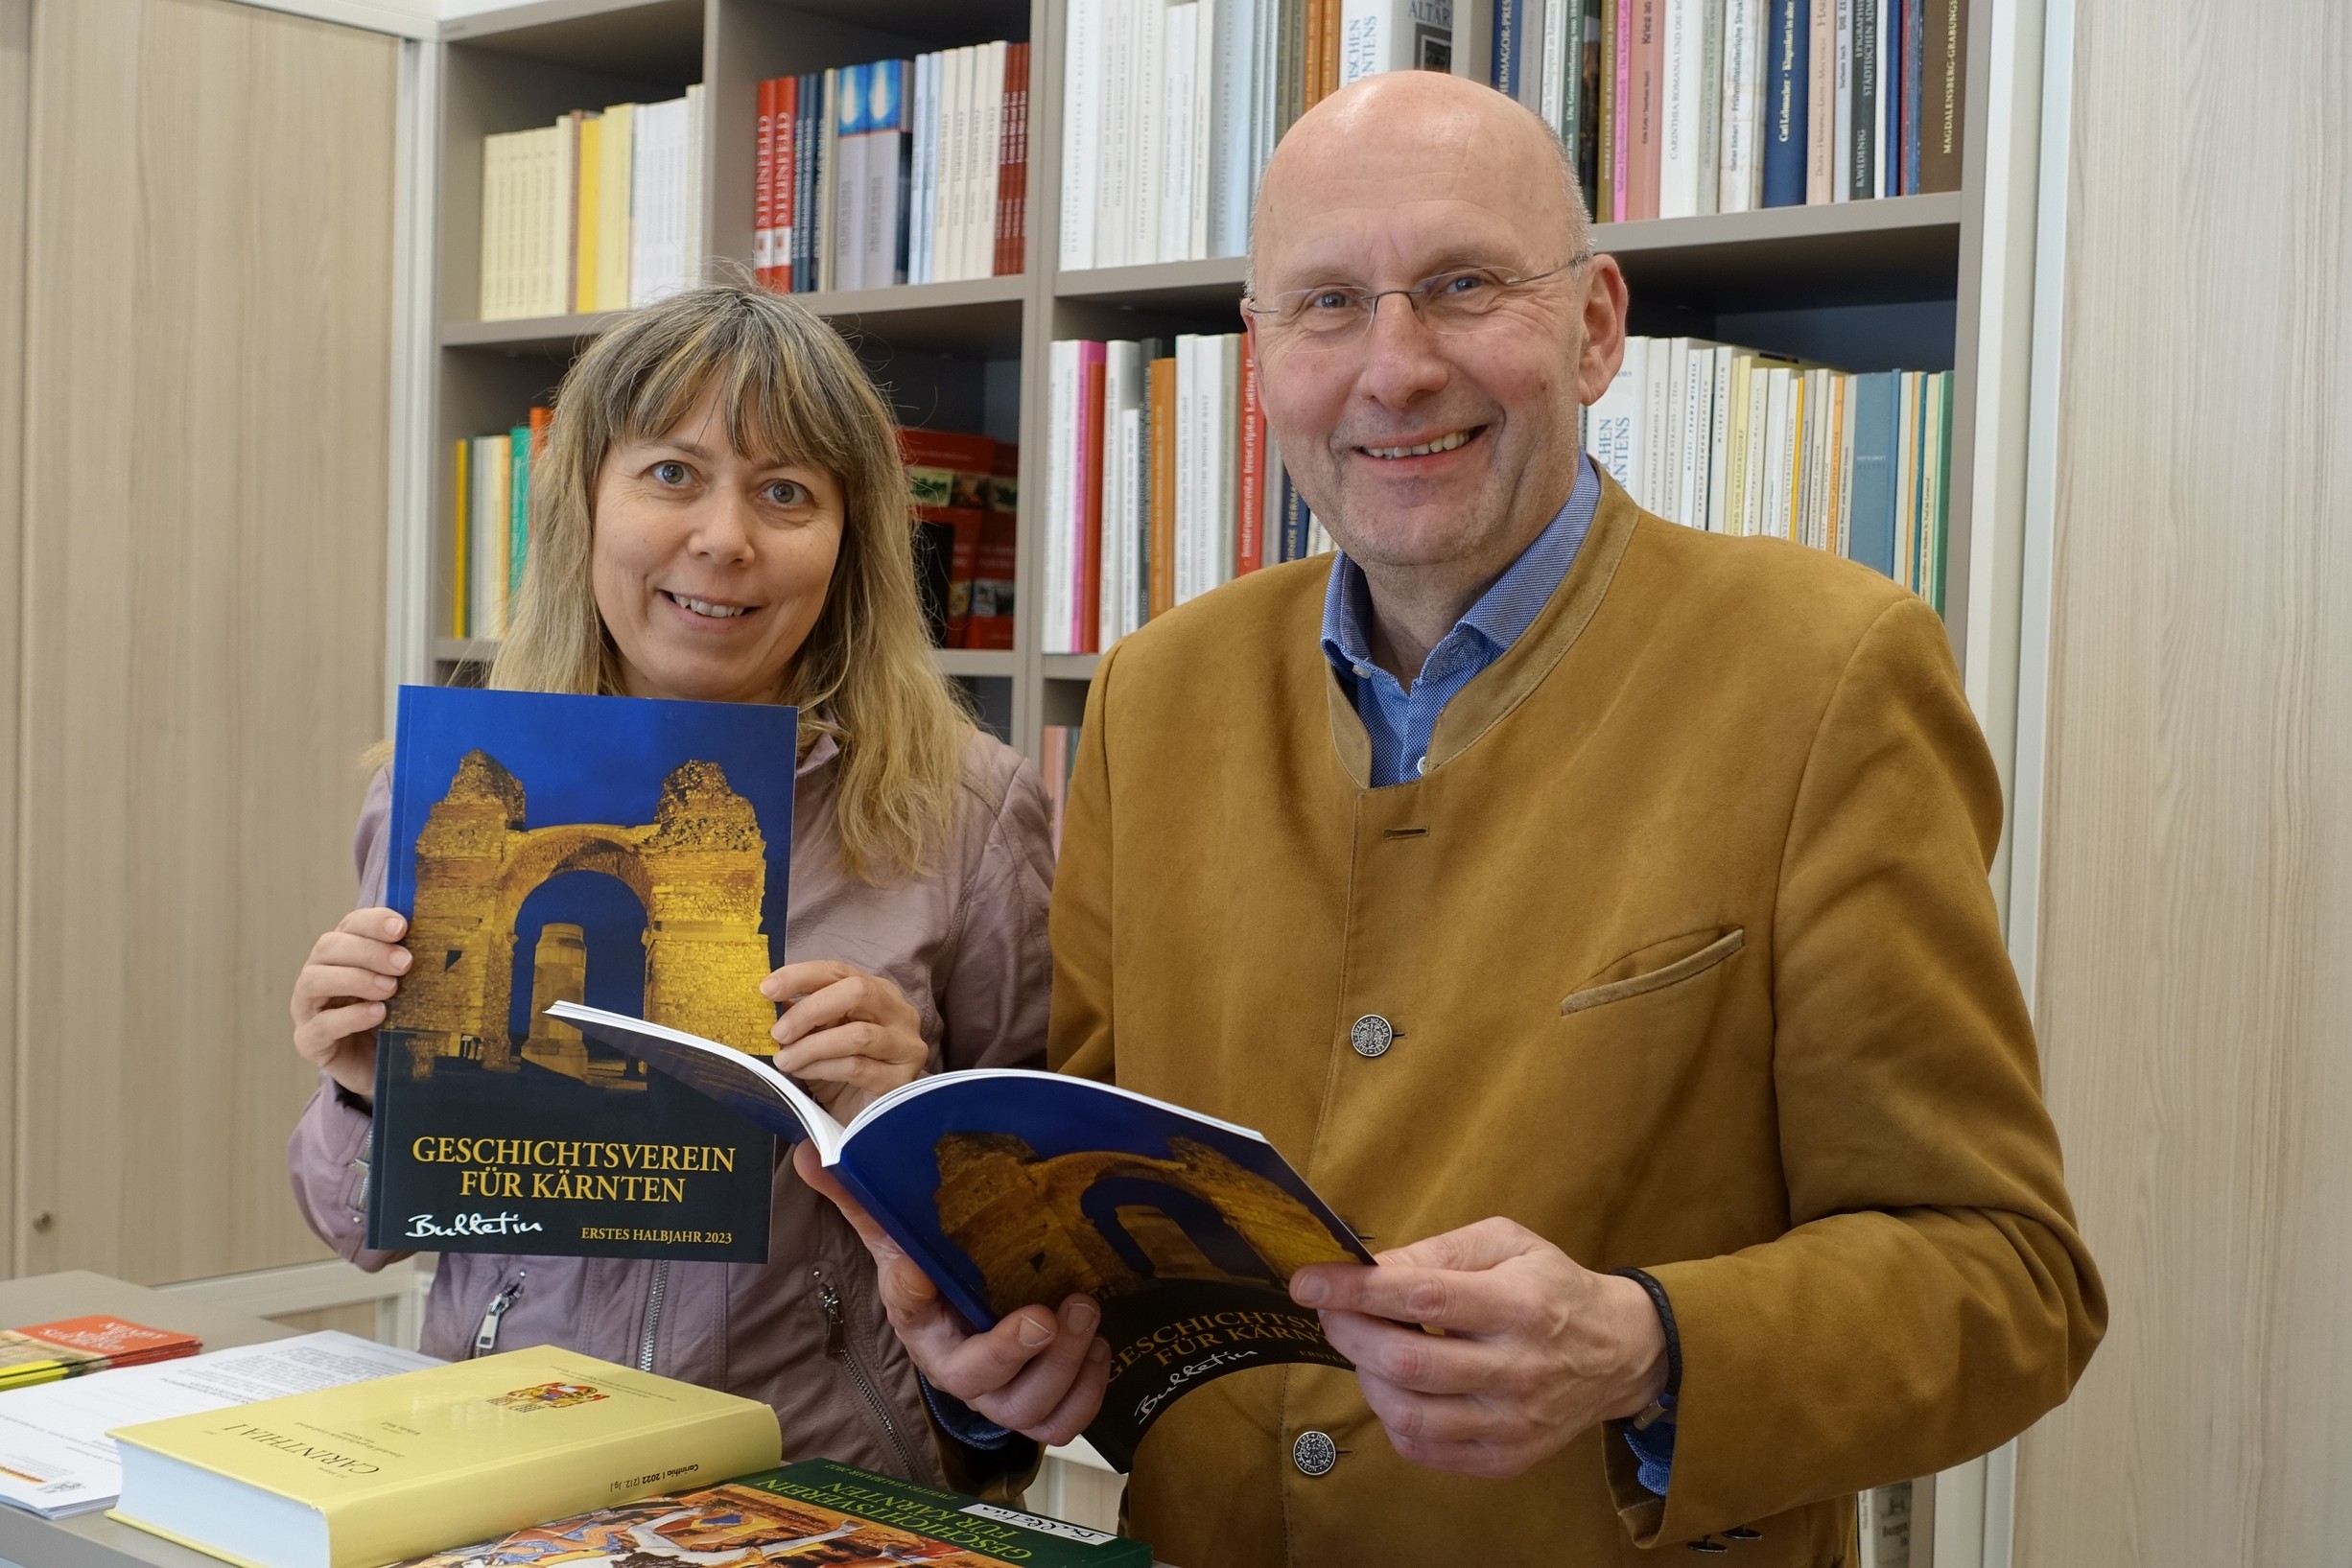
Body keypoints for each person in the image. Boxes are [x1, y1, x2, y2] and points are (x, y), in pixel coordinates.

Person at [802, 70, 2106, 1561]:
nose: (1397, 367)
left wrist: (1643, 1343)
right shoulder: (1156, 694)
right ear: (1260, 362)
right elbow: (1108, 1242)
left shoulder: (1825, 672)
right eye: (1328, 305)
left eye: (1464, 285)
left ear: (1596, 325)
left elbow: (2009, 1278)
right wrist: (994, 1367)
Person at [286, 284, 1053, 1489]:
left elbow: (1040, 1261)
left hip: (817, 1484)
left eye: (786, 492)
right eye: (671, 474)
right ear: (585, 501)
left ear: (849, 539)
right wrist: (364, 1092)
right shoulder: (435, 790)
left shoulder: (969, 809)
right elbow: (354, 1233)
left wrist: (908, 1123)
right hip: (502, 1472)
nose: (725, 538)